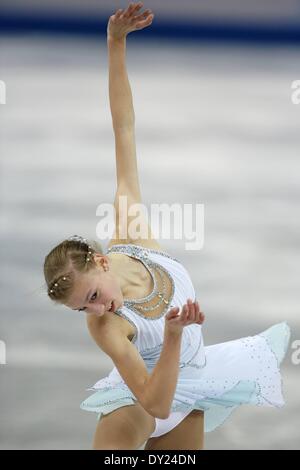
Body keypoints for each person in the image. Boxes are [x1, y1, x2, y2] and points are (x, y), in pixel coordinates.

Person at [43, 2, 291, 450]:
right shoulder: (107, 327)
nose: (96, 311)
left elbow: (124, 129)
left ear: (101, 261)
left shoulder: (131, 230)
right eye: (83, 309)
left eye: (93, 297)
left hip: (193, 391)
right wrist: (173, 335)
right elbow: (155, 404)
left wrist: (115, 43)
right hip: (137, 406)